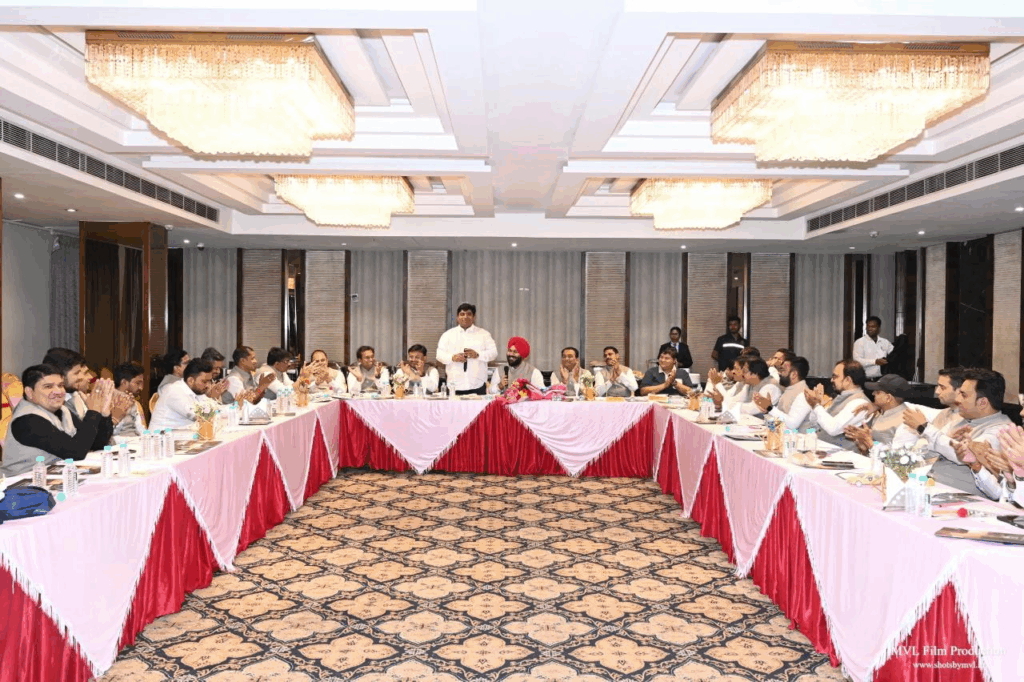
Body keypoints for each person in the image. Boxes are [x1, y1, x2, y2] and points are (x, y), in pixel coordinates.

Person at [2, 364, 115, 476]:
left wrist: (104, 413)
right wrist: (93, 412)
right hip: (22, 482)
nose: (58, 391)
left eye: (60, 385)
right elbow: (76, 452)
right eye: (48, 387)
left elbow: (95, 445)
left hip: (54, 477)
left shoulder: (62, 411)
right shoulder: (27, 420)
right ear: (29, 392)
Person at [900, 368, 979, 494]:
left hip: (955, 484)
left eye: (942, 387)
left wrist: (924, 428)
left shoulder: (972, 419)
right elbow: (926, 448)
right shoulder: (943, 414)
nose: (937, 391)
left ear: (959, 391)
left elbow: (961, 456)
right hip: (929, 476)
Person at [948, 369, 1013, 501]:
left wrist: (924, 429)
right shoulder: (963, 420)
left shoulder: (1002, 430)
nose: (957, 399)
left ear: (982, 402)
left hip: (960, 498)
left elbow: (966, 451)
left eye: (963, 395)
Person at [803, 359, 871, 446]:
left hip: (842, 453)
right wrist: (816, 406)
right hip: (823, 447)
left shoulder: (860, 403)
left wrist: (816, 406)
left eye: (835, 377)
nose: (832, 380)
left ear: (848, 380)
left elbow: (833, 429)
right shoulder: (841, 398)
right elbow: (815, 425)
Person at [844, 374, 918, 453]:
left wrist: (870, 442)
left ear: (888, 398)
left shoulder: (907, 422)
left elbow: (897, 455)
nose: (873, 393)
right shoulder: (883, 411)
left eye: (878, 392)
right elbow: (875, 443)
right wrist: (863, 440)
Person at [436, 303, 498, 395]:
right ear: (457, 317)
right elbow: (439, 355)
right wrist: (452, 357)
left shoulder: (484, 334)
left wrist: (478, 355)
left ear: (474, 317)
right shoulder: (448, 335)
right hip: (455, 385)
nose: (465, 317)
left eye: (469, 314)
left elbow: (494, 353)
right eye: (462, 314)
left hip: (478, 384)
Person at [150, 359, 218, 431]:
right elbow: (200, 416)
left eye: (209, 381)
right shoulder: (174, 391)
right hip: (162, 435)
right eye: (205, 382)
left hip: (182, 433)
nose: (208, 385)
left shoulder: (197, 391)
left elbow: (212, 408)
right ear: (190, 381)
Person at [42, 348, 93, 420]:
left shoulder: (76, 395)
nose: (81, 377)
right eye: (76, 373)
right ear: (59, 375)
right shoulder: (50, 406)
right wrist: (94, 411)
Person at [763, 356, 812, 429]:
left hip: (798, 435)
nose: (779, 373)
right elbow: (776, 421)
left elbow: (792, 424)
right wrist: (767, 411)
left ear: (794, 374)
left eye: (783, 370)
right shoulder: (790, 389)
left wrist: (770, 408)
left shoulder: (804, 394)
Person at [852, 316, 894, 380]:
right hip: (867, 380)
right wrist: (875, 361)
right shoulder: (859, 342)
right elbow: (857, 361)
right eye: (868, 326)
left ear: (879, 328)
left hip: (883, 379)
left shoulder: (885, 342)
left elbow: (894, 354)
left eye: (873, 327)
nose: (870, 329)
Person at [112, 362, 147, 437]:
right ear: (124, 382)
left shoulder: (135, 403)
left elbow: (141, 428)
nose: (141, 388)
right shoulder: (108, 401)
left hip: (137, 440)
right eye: (137, 383)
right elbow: (111, 433)